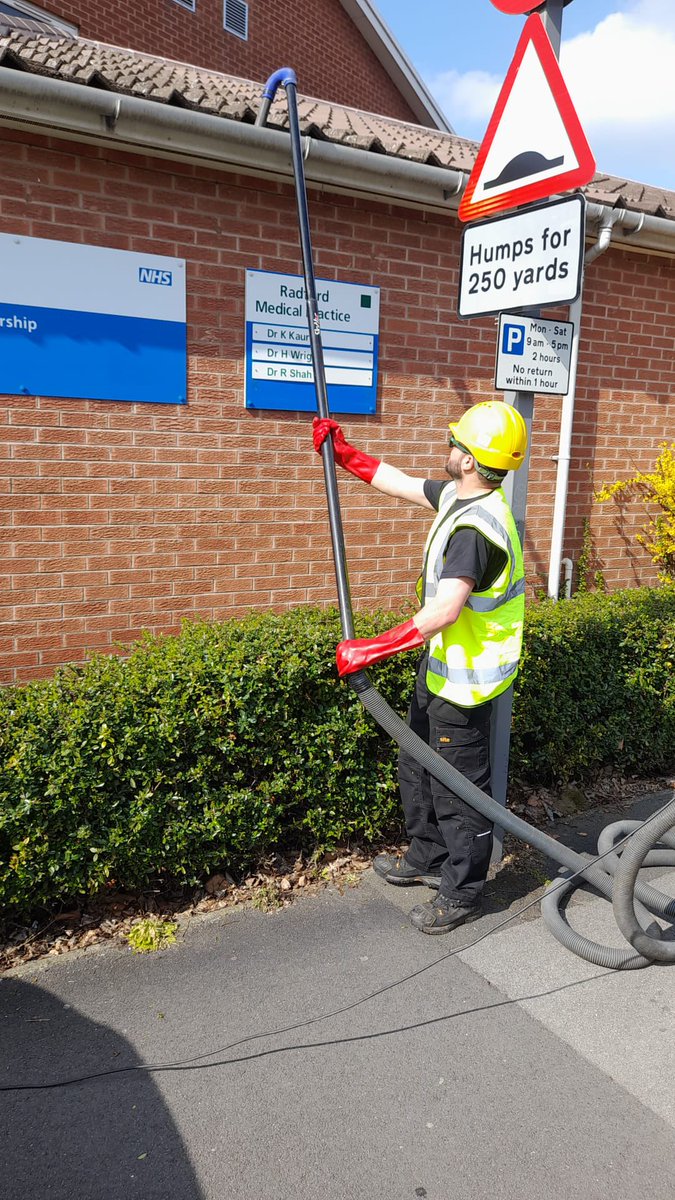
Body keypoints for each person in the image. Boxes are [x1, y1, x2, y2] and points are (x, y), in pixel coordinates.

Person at [312, 401, 528, 934]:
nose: (448, 449)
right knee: (417, 767)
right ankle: (426, 856)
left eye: (457, 444)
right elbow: (403, 484)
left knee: (458, 790)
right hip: (442, 667)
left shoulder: (477, 531)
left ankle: (462, 891)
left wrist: (371, 649)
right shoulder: (461, 494)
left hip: (466, 681)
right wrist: (345, 454)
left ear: (473, 461)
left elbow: (444, 611)